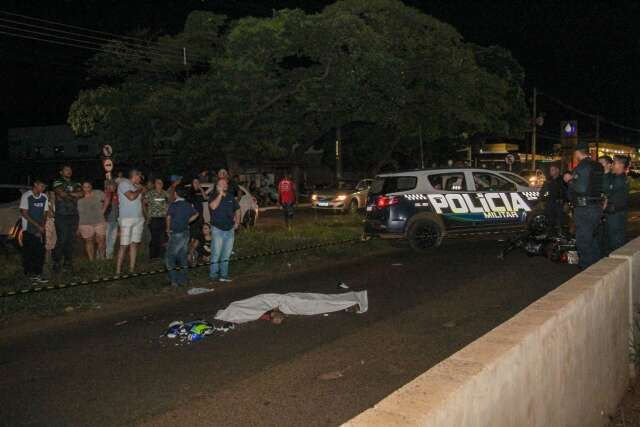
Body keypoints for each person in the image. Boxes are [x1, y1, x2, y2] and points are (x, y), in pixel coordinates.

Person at [568, 144, 604, 269]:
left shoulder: (582, 166)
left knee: (583, 241)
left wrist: (569, 180)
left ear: (578, 153)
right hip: (596, 207)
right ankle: (597, 266)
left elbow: (581, 188)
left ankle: (587, 270)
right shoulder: (598, 165)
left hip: (585, 209)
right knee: (592, 239)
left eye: (574, 154)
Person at [208, 177, 241, 282]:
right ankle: (213, 275)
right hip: (217, 229)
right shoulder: (213, 196)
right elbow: (213, 207)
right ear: (217, 186)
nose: (224, 185)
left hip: (230, 229)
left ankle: (224, 274)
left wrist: (237, 222)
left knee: (226, 254)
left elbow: (238, 209)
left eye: (225, 184)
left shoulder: (231, 197)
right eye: (221, 184)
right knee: (216, 253)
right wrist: (220, 195)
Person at [52, 165, 83, 273]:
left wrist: (68, 195)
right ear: (61, 172)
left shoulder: (76, 183)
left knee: (71, 240)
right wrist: (74, 196)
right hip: (61, 215)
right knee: (62, 239)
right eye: (66, 170)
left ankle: (68, 262)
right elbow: (61, 193)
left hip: (73, 215)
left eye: (70, 170)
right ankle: (56, 262)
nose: (69, 171)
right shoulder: (57, 182)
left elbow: (82, 193)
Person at [165, 186, 198, 287]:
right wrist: (188, 220)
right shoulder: (188, 205)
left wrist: (167, 229)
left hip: (176, 233)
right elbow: (196, 213)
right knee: (183, 256)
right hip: (185, 232)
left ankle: (174, 280)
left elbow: (168, 217)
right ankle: (183, 280)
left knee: (169, 257)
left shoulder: (173, 205)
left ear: (176, 194)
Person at [116, 169, 146, 275]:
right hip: (127, 219)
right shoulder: (124, 184)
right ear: (135, 175)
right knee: (124, 245)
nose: (140, 179)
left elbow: (140, 202)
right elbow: (131, 196)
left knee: (134, 244)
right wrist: (140, 190)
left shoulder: (136, 186)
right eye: (140, 177)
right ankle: (118, 271)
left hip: (138, 218)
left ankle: (132, 269)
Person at [20, 180, 49, 284]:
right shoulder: (27, 196)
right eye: (42, 185)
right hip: (28, 229)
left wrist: (42, 226)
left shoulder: (44, 197)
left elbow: (45, 212)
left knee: (40, 252)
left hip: (40, 229)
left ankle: (38, 273)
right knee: (29, 252)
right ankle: (29, 273)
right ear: (35, 184)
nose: (43, 188)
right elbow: (24, 213)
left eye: (44, 186)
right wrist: (37, 226)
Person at [603, 156, 630, 253]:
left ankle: (618, 263)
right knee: (614, 240)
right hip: (616, 213)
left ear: (621, 165)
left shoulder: (619, 179)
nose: (612, 165)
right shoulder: (617, 177)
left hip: (616, 215)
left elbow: (606, 190)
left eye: (614, 163)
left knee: (616, 242)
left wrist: (606, 172)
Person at [77, 181, 107, 260]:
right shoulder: (79, 197)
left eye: (88, 186)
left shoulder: (98, 193)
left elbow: (107, 197)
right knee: (89, 241)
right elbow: (77, 213)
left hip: (99, 221)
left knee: (101, 240)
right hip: (84, 222)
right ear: (82, 188)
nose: (86, 188)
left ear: (91, 187)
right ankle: (91, 261)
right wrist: (78, 226)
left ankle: (102, 259)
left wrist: (104, 209)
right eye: (84, 187)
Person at [144, 178, 169, 259]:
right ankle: (153, 256)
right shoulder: (150, 193)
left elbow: (168, 204)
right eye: (158, 183)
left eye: (161, 182)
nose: (160, 184)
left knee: (163, 238)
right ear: (155, 184)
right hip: (153, 218)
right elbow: (143, 203)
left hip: (163, 218)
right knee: (154, 237)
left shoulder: (165, 193)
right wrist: (146, 214)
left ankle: (161, 255)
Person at [538, 164, 566, 232]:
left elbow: (567, 192)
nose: (550, 172)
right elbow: (542, 191)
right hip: (550, 204)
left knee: (561, 223)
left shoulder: (563, 180)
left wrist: (567, 203)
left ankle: (561, 236)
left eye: (552, 170)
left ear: (557, 170)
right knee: (550, 222)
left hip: (560, 204)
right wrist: (541, 201)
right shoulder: (548, 181)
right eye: (550, 170)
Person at [187, 178, 207, 264]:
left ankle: (192, 255)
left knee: (198, 238)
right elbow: (189, 207)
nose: (197, 183)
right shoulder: (190, 194)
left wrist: (201, 189)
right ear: (192, 183)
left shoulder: (198, 193)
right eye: (195, 182)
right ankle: (190, 256)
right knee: (194, 238)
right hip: (194, 219)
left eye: (198, 182)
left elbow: (205, 197)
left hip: (200, 219)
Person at [103, 180, 119, 260]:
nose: (113, 187)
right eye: (112, 185)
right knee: (106, 239)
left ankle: (109, 256)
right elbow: (104, 207)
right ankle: (102, 256)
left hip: (115, 220)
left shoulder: (116, 195)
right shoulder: (106, 194)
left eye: (114, 185)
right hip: (107, 220)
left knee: (112, 239)